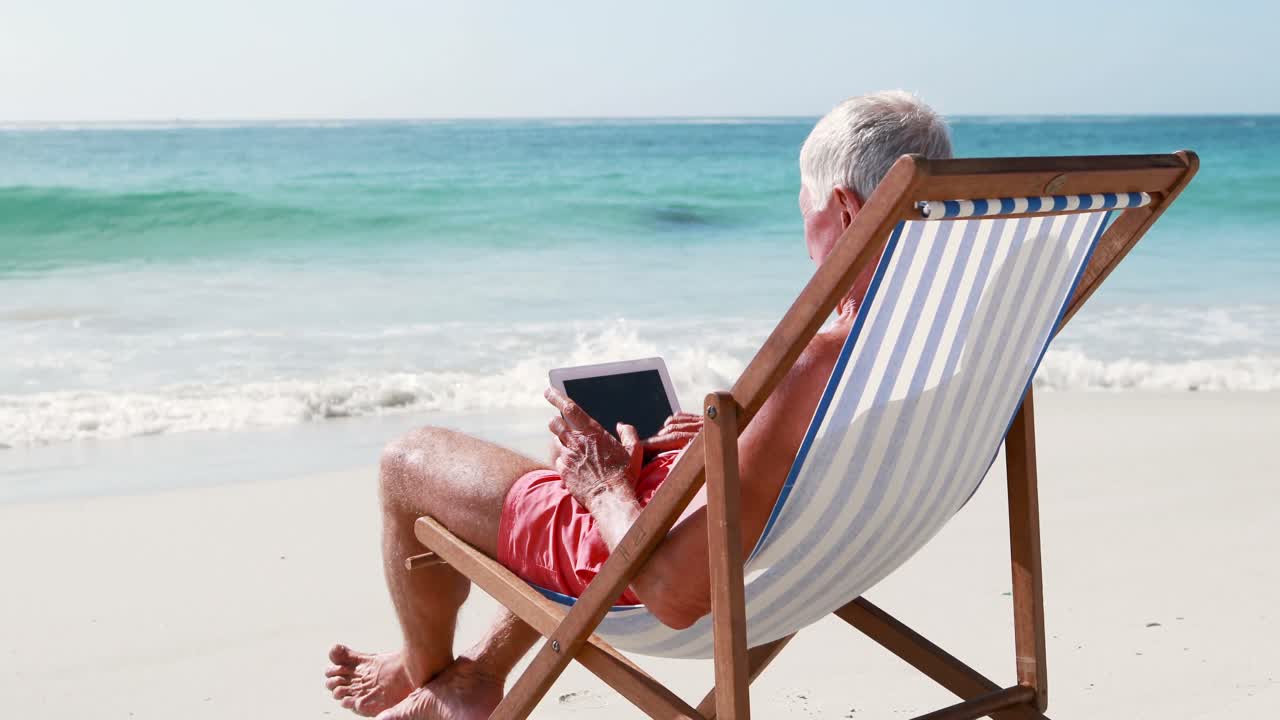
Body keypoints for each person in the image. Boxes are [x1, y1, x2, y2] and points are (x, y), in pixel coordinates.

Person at [324, 90, 953, 720]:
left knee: (408, 462)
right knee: (577, 461)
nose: (803, 235)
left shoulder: (817, 361)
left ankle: (430, 674)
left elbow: (673, 595)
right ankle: (481, 671)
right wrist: (723, 443)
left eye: (806, 211)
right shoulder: (953, 333)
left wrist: (602, 486)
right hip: (818, 562)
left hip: (680, 577)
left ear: (844, 211)